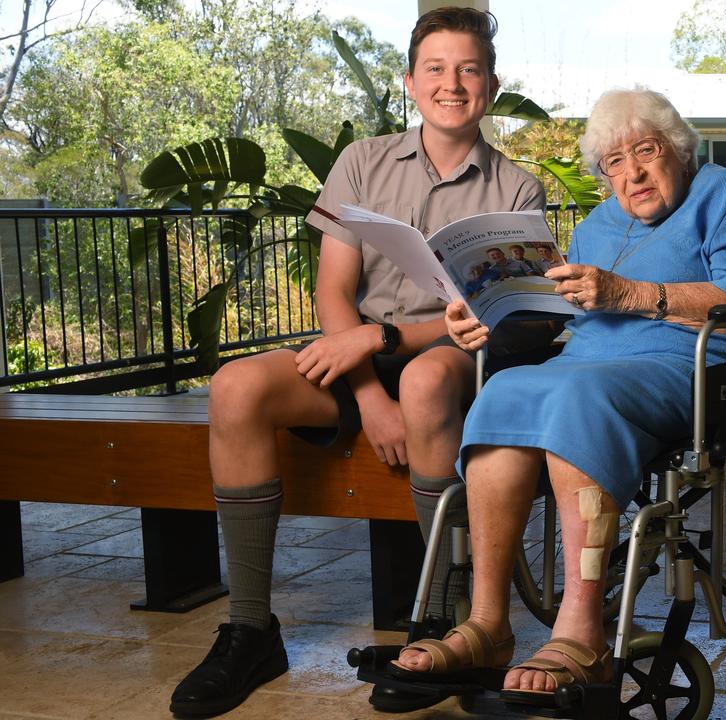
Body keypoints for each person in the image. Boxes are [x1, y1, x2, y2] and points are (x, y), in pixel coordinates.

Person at [168, 8, 545, 717]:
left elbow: (486, 317)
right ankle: (251, 629)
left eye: (468, 69)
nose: (451, 83)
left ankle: (439, 621)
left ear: (490, 85)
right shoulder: (362, 163)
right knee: (236, 385)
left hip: (449, 358)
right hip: (358, 363)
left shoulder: (518, 189)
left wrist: (382, 343)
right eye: (436, 68)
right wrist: (371, 397)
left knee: (431, 379)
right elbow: (334, 292)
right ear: (411, 81)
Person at [388, 88, 726, 703]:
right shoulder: (598, 224)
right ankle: (488, 624)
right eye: (614, 163)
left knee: (578, 397)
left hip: (689, 364)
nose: (632, 172)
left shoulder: (724, 193)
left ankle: (583, 631)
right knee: (503, 391)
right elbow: (559, 316)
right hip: (584, 362)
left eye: (645, 151)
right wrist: (489, 316)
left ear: (677, 150)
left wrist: (630, 295)